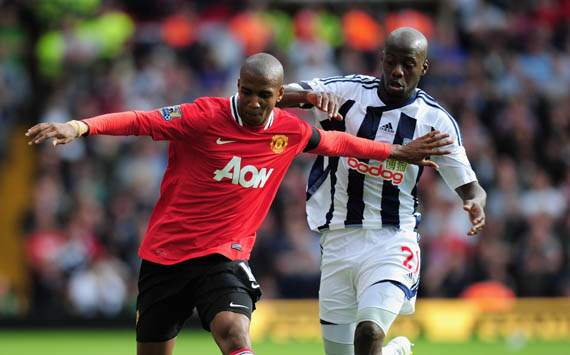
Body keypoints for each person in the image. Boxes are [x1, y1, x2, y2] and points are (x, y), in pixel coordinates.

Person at [26, 52, 453, 355]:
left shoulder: (289, 131)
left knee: (234, 334)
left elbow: (340, 142)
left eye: (264, 95)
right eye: (247, 92)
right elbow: (140, 120)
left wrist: (397, 153)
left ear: (277, 94)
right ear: (238, 87)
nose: (254, 103)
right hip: (165, 256)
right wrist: (80, 126)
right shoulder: (201, 116)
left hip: (223, 258)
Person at [280, 28, 487, 355]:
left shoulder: (434, 121)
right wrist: (308, 96)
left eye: (408, 64)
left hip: (393, 239)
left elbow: (470, 186)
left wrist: (474, 201)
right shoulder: (349, 92)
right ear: (382, 59)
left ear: (424, 67)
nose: (397, 71)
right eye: (391, 62)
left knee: (369, 332)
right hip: (337, 237)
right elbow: (276, 93)